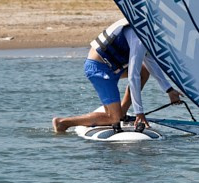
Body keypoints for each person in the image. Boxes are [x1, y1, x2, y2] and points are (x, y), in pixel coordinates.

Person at [52, 18, 181, 134]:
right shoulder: (140, 37)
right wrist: (139, 113)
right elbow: (133, 76)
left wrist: (169, 90)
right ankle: (63, 122)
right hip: (98, 69)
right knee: (113, 118)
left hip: (112, 68)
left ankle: (122, 112)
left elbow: (151, 63)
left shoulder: (145, 30)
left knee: (144, 71)